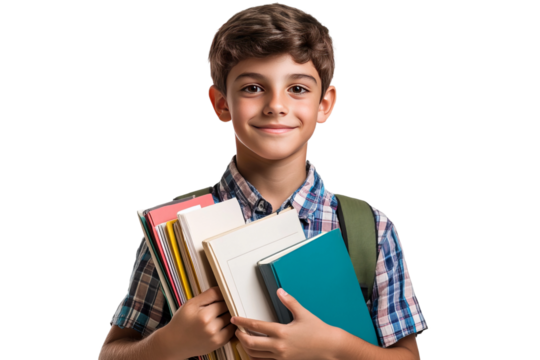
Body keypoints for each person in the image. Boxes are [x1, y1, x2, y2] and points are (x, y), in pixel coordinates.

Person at [98, 2, 428, 360]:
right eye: (253, 88)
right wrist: (169, 344)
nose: (275, 105)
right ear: (221, 104)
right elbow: (113, 353)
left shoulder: (370, 228)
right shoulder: (173, 225)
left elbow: (406, 358)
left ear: (325, 104)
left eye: (298, 89)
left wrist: (331, 348)